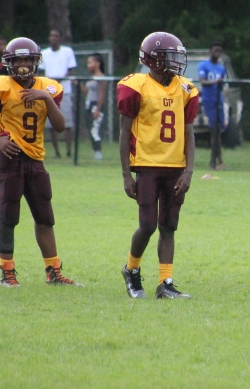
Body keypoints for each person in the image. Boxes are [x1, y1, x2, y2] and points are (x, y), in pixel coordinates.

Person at [0, 37, 82, 287]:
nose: (22, 64)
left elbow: (60, 127)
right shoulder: (0, 87)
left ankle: (53, 272)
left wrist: (46, 98)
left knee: (45, 216)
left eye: (27, 59)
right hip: (9, 156)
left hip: (35, 157)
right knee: (9, 215)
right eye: (17, 60)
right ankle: (7, 273)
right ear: (9, 62)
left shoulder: (48, 88)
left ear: (35, 61)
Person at [118, 32, 198, 300]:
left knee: (168, 226)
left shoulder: (185, 88)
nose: (175, 62)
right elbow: (124, 132)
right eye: (169, 56)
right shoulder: (136, 85)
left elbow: (188, 132)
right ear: (153, 60)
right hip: (147, 165)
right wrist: (126, 174)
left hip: (175, 166)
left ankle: (165, 282)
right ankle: (131, 269)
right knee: (148, 225)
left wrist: (188, 171)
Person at [39, 29, 77, 158]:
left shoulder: (67, 52)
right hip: (49, 92)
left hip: (64, 91)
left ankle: (69, 150)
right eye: (51, 36)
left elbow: (70, 70)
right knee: (50, 124)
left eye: (56, 36)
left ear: (60, 38)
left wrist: (59, 80)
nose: (53, 38)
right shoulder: (44, 53)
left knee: (67, 122)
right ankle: (57, 152)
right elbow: (41, 71)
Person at [198, 42, 228, 171]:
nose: (217, 53)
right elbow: (203, 81)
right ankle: (215, 161)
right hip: (209, 100)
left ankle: (216, 161)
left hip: (218, 100)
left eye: (219, 51)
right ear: (210, 51)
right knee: (214, 130)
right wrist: (215, 82)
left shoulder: (221, 68)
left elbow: (223, 84)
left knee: (218, 130)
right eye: (215, 51)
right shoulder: (204, 65)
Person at [80, 53, 107, 160]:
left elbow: (101, 94)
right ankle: (95, 150)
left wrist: (98, 109)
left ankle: (98, 151)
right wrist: (79, 85)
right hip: (89, 104)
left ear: (97, 63)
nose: (88, 65)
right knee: (89, 127)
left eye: (90, 62)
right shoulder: (92, 77)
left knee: (94, 130)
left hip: (96, 105)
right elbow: (87, 92)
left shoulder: (101, 77)